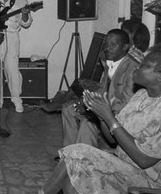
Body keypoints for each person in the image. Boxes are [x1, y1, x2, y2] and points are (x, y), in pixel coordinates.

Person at [40, 44, 161, 194]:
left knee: (77, 154)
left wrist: (109, 117)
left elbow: (144, 161)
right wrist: (100, 114)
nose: (137, 67)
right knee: (74, 177)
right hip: (123, 164)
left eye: (145, 66)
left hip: (146, 179)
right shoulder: (140, 95)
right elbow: (112, 139)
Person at [61, 29, 141, 148]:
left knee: (88, 122)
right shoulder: (111, 62)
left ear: (125, 47)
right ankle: (69, 153)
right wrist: (86, 103)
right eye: (106, 44)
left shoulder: (132, 69)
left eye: (113, 45)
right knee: (69, 108)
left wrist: (95, 110)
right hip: (105, 108)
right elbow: (103, 90)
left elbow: (126, 104)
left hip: (118, 116)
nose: (107, 48)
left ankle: (83, 160)